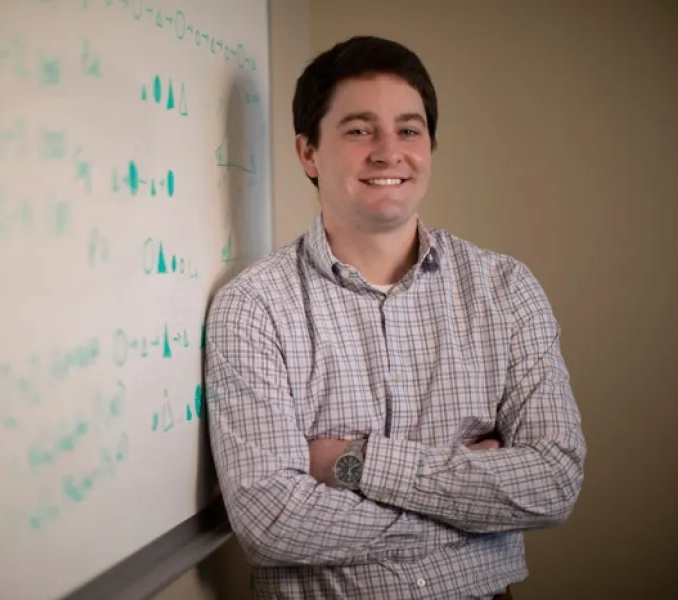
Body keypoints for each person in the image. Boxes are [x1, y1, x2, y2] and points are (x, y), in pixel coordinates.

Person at [203, 35, 586, 600]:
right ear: (308, 152)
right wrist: (473, 508)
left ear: (429, 145)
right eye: (359, 130)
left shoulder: (506, 290)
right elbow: (274, 522)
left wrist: (352, 462)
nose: (388, 152)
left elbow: (553, 484)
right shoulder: (254, 306)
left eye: (409, 130)